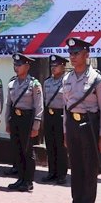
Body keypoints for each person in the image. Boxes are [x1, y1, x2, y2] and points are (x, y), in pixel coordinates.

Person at [56, 38, 101, 203]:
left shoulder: (97, 79)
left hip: (90, 126)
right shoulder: (67, 78)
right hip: (72, 125)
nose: (72, 56)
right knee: (76, 167)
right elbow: (65, 108)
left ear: (87, 55)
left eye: (76, 53)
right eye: (70, 53)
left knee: (89, 168)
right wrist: (65, 131)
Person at [6, 53, 43, 192]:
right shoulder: (12, 83)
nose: (16, 67)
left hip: (27, 119)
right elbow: (8, 104)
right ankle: (20, 178)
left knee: (28, 151)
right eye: (15, 65)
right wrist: (7, 121)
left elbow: (39, 105)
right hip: (15, 119)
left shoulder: (34, 84)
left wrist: (36, 125)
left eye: (19, 65)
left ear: (27, 66)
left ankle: (28, 181)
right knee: (17, 150)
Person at [42, 55, 69, 184]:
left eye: (56, 65)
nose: (53, 68)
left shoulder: (67, 82)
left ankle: (62, 174)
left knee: (61, 145)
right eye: (52, 66)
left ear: (63, 66)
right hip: (49, 115)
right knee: (50, 144)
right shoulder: (47, 82)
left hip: (61, 115)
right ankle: (51, 172)